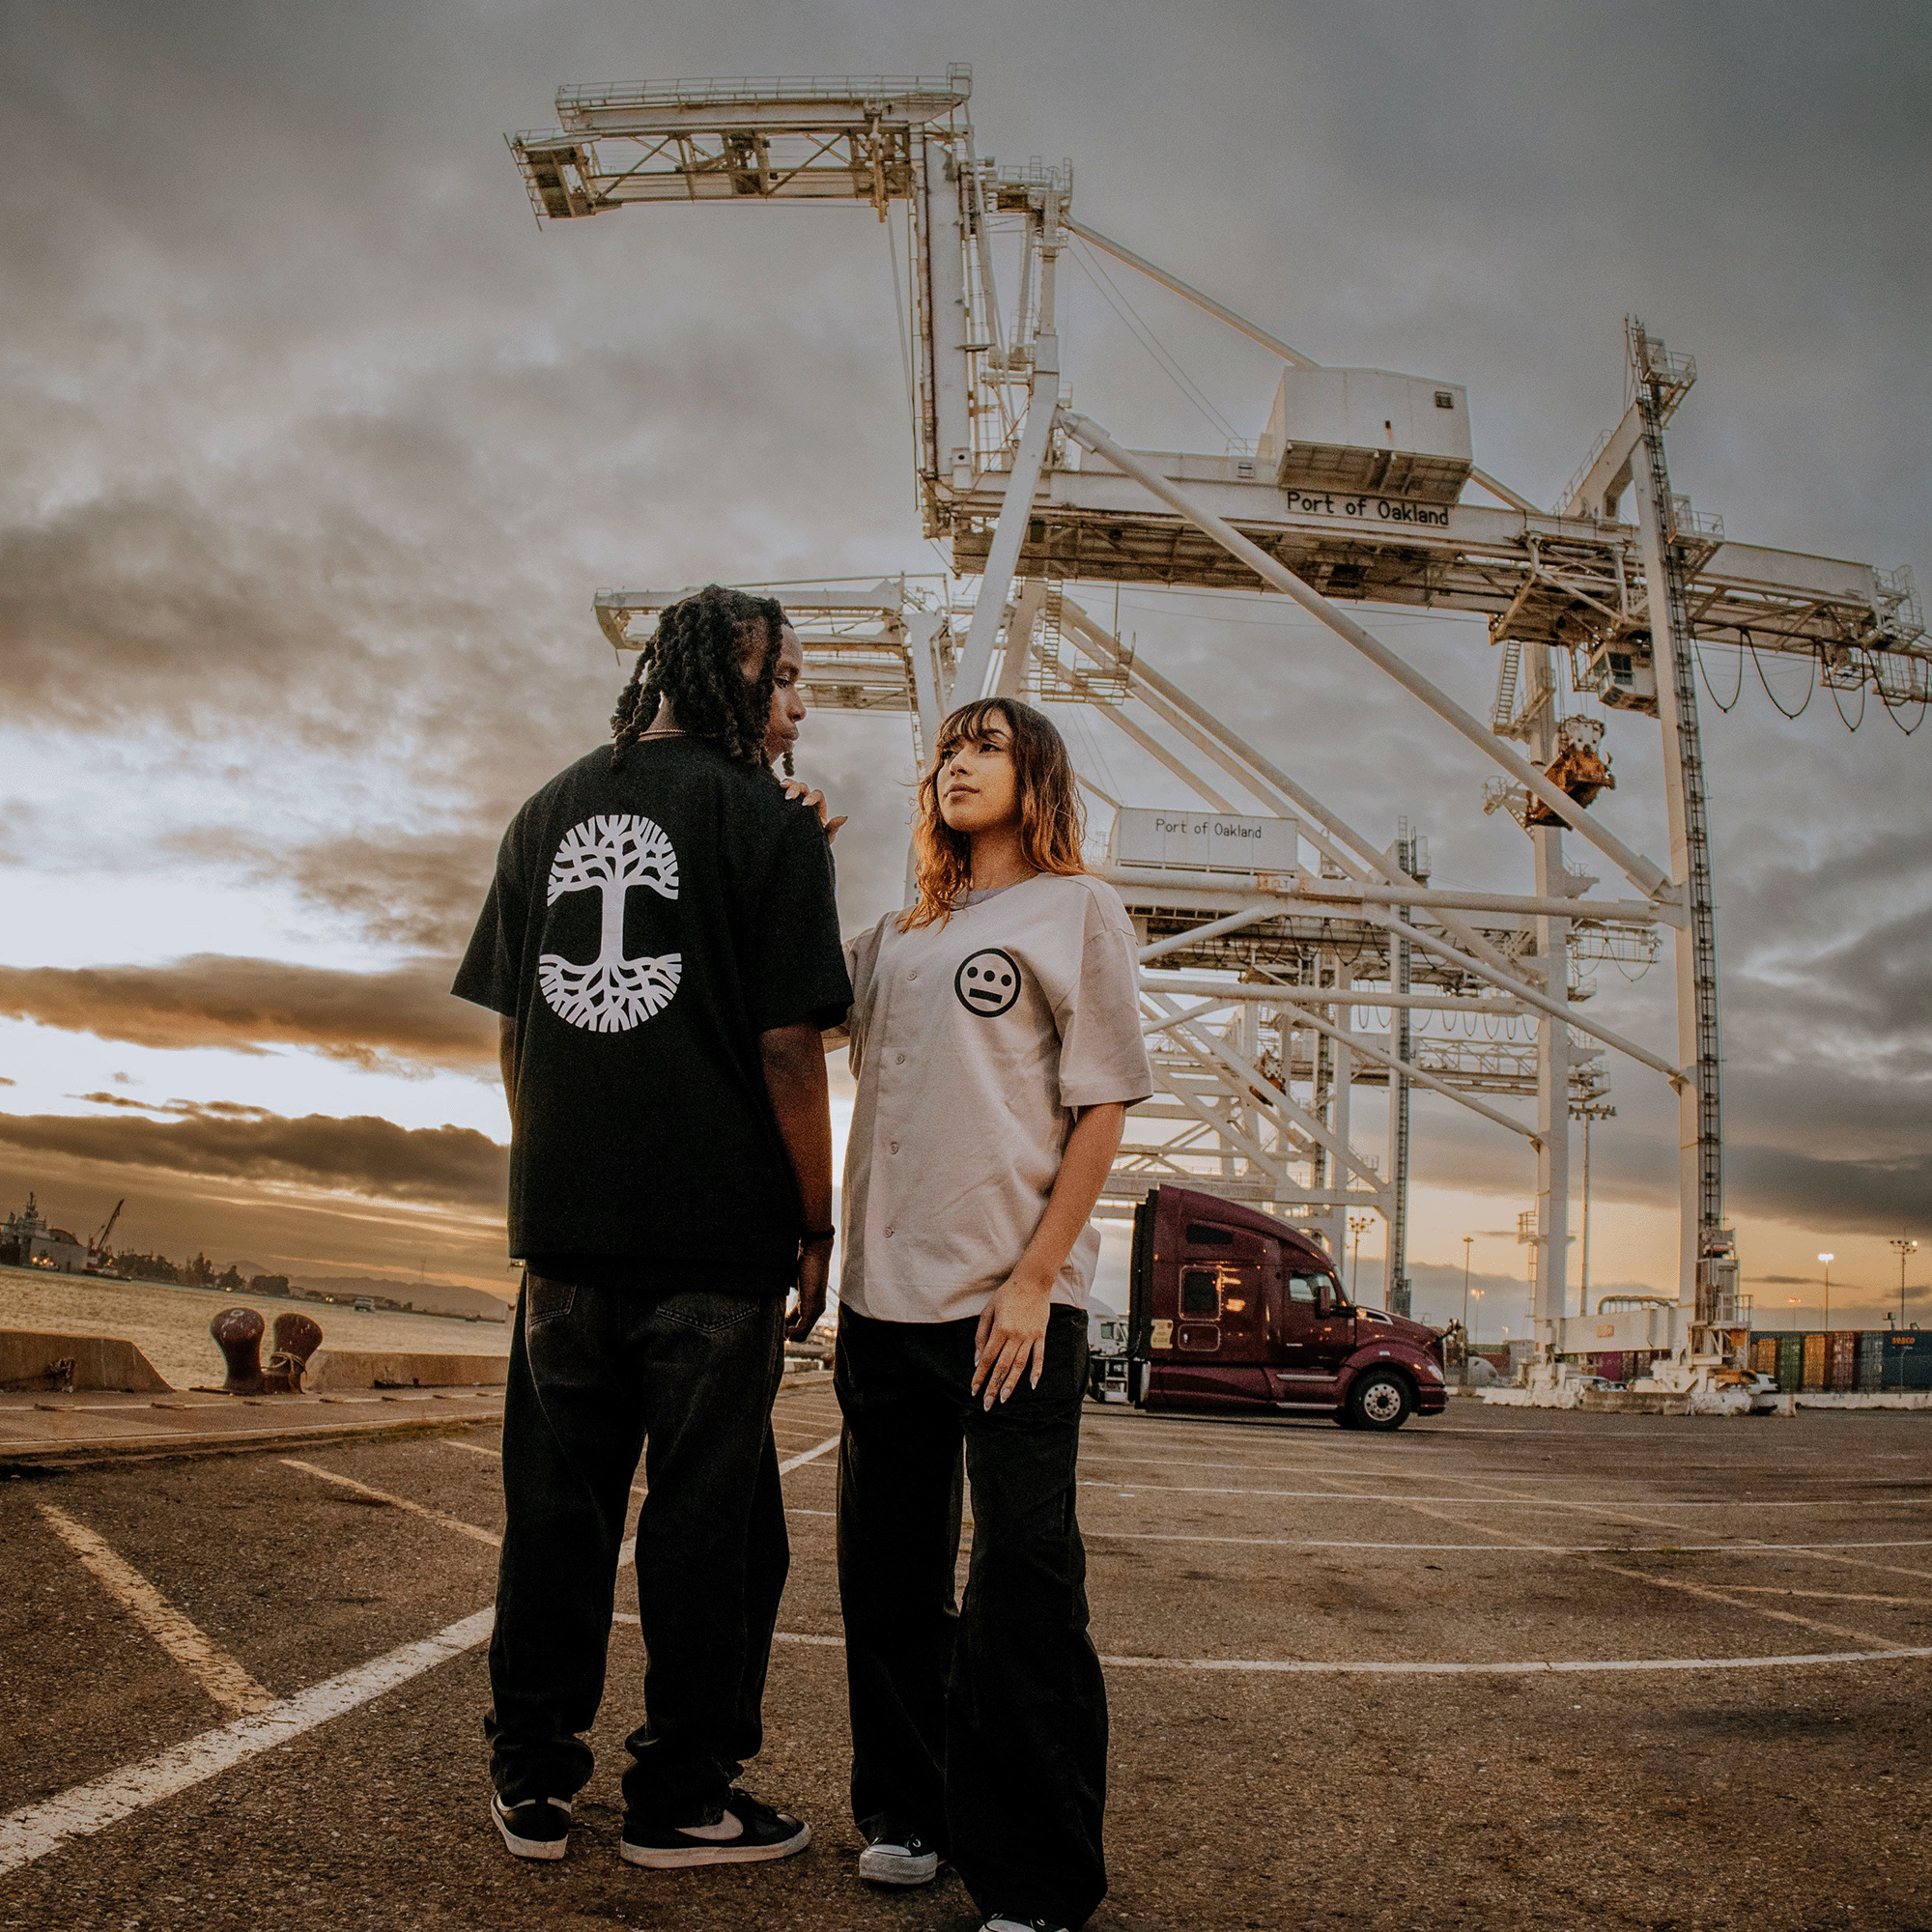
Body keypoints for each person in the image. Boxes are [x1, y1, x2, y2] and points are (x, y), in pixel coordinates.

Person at [452, 582, 851, 1870]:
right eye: (781, 674)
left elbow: (521, 1032)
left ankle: (532, 1782)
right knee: (709, 1531)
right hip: (712, 1246)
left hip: (562, 1244)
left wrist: (559, 1171)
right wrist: (816, 1224)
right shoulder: (773, 829)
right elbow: (790, 1051)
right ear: (726, 674)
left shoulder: (546, 809)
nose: (796, 700)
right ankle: (682, 1799)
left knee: (553, 1516)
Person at [829, 696, 1153, 1932]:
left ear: (1036, 776)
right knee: (891, 1573)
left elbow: (1104, 1104)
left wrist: (1033, 1277)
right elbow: (802, 1007)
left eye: (987, 746)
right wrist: (794, 840)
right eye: (947, 749)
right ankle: (909, 1813)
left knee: (1025, 1578)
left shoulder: (1077, 908)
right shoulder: (903, 931)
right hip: (882, 1299)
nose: (957, 762)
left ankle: (1036, 1874)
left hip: (1011, 1303)